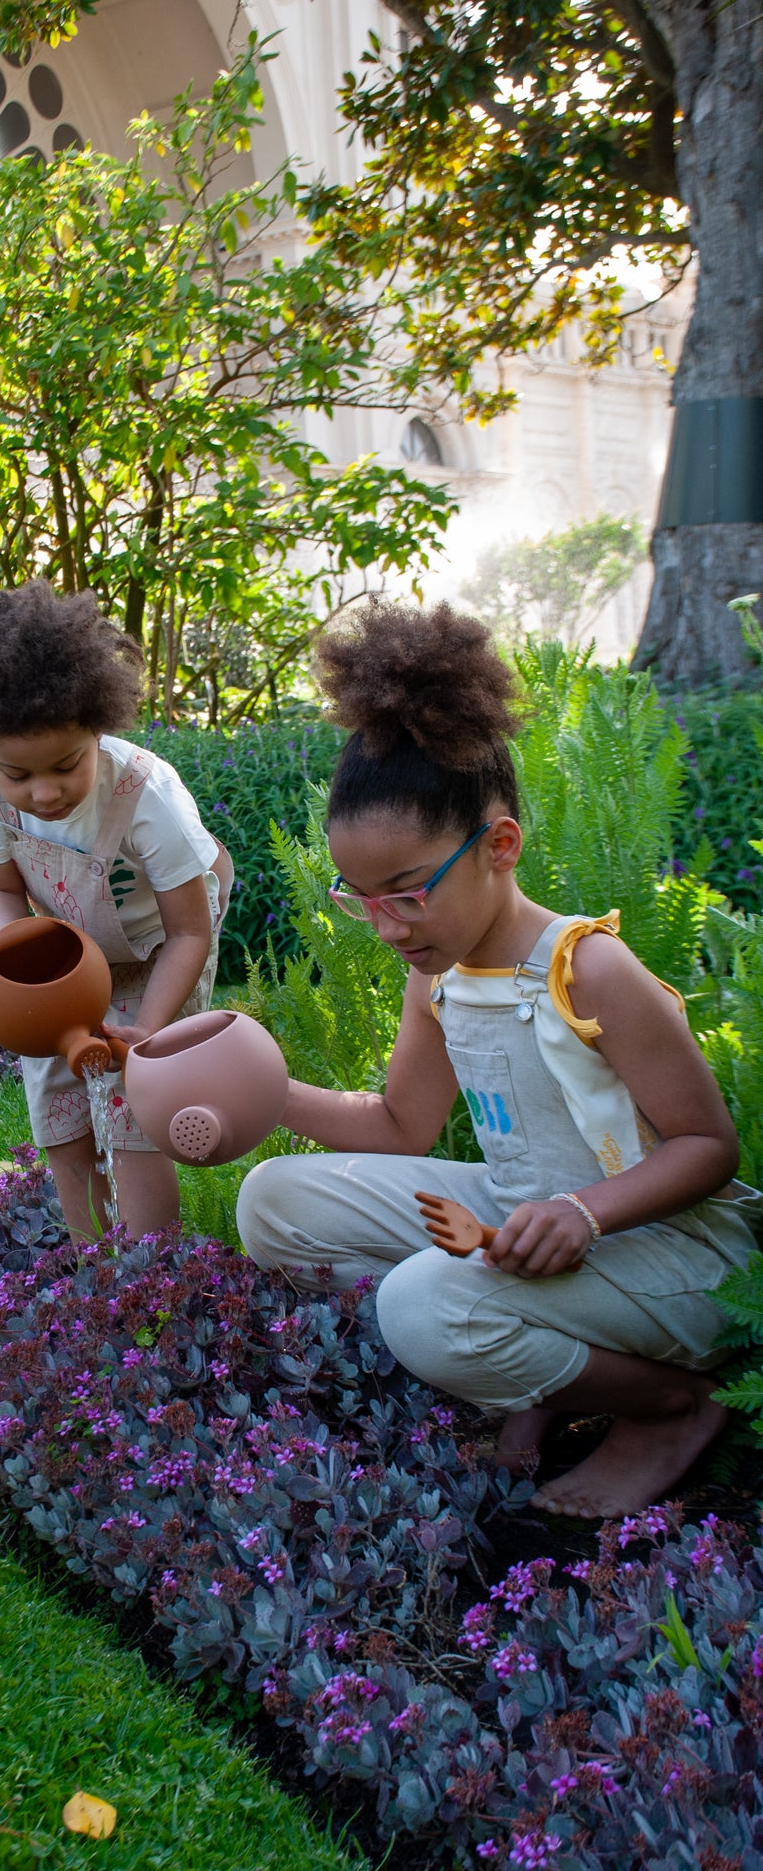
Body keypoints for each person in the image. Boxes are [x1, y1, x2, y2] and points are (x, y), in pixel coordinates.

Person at [236, 603, 757, 1520]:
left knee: (421, 1307)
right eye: (359, 899)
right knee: (272, 1201)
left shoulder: (588, 969)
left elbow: (709, 1150)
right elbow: (401, 1126)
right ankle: (538, 1368)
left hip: (669, 1253)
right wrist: (262, 1092)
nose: (387, 926)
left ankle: (670, 1404)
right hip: (525, 1220)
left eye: (406, 894)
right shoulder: (436, 973)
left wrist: (582, 1214)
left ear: (500, 847)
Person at [0, 580, 232, 1241]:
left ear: (98, 725)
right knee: (57, 1097)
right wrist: (9, 947)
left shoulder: (149, 799)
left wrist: (144, 1035)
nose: (44, 792)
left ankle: (150, 1272)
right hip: (65, 950)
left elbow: (188, 932)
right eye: (18, 774)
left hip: (160, 947)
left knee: (131, 1109)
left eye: (66, 765)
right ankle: (95, 1273)